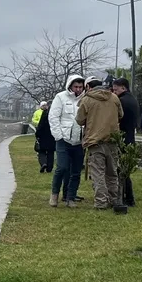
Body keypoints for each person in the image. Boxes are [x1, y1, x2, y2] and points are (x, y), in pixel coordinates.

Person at [76, 77, 124, 209]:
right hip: (112, 140)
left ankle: (101, 202)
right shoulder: (114, 98)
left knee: (98, 174)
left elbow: (79, 120)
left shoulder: (86, 100)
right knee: (112, 173)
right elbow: (121, 114)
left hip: (94, 142)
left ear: (88, 87)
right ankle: (114, 200)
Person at [48, 74, 86, 207]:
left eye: (80, 87)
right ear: (70, 86)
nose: (78, 89)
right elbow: (53, 117)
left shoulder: (85, 99)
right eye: (76, 86)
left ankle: (70, 198)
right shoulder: (60, 97)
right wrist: (58, 136)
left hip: (79, 141)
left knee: (76, 171)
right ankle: (54, 195)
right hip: (63, 139)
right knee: (62, 168)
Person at [112, 76, 139, 145]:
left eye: (116, 90)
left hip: (123, 133)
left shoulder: (120, 100)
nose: (114, 92)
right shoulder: (133, 99)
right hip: (131, 133)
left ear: (123, 88)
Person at [33, 100, 55, 173]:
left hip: (43, 135)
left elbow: (41, 125)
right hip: (52, 136)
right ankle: (49, 168)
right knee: (50, 152)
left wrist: (37, 134)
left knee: (41, 151)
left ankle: (43, 163)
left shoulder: (45, 113)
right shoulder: (55, 114)